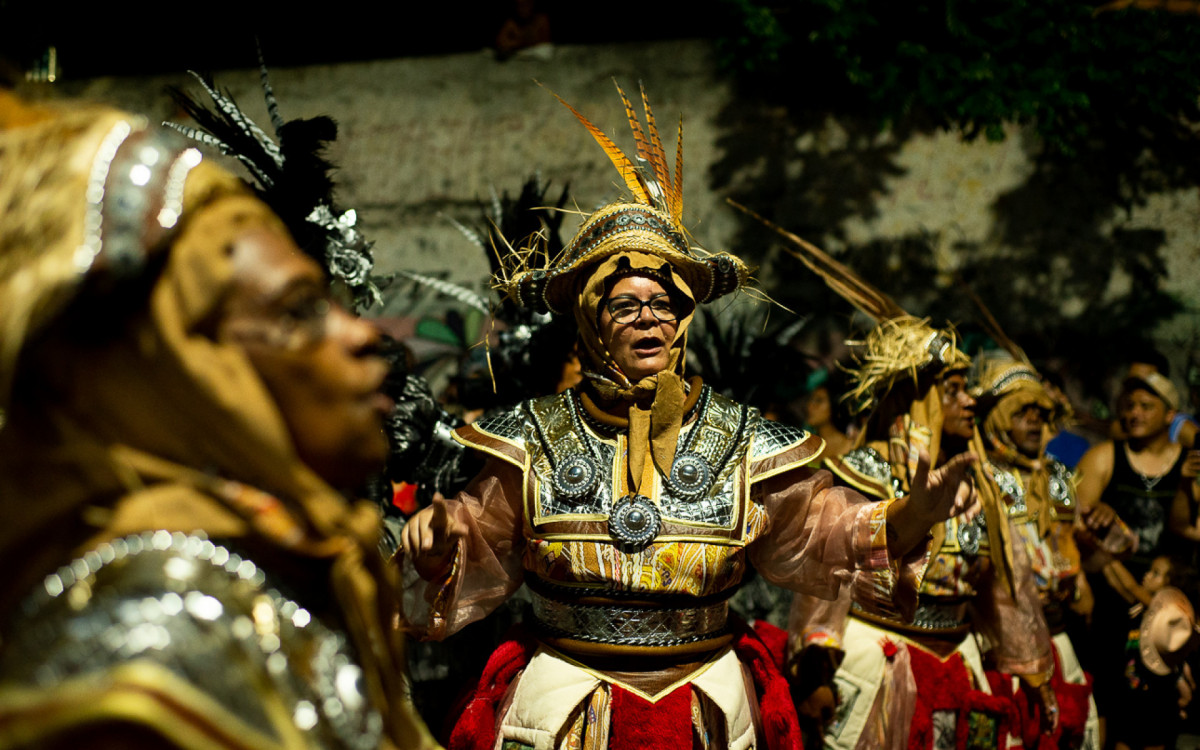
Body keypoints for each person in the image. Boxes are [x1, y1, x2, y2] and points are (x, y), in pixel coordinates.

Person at [399, 85, 976, 750]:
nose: (649, 317)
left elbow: (827, 535)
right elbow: (473, 544)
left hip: (707, 703)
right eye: (624, 305)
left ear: (685, 320)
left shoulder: (744, 439)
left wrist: (915, 515)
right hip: (567, 699)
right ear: (590, 323)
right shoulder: (531, 437)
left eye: (665, 303)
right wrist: (437, 541)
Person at [0, 95, 434, 749]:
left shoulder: (263, 575)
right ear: (180, 380)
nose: (360, 335)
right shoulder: (148, 658)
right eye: (298, 311)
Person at [789, 319, 1056, 749]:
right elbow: (826, 582)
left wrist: (1032, 667)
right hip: (877, 661)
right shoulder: (864, 473)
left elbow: (1006, 588)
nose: (969, 402)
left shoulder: (982, 485)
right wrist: (816, 668)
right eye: (952, 391)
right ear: (915, 398)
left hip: (957, 659)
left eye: (967, 389)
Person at [974, 354, 1112, 749]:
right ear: (998, 417)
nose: (1035, 421)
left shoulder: (1057, 476)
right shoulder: (976, 476)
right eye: (1022, 412)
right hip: (997, 647)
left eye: (1039, 412)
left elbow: (1074, 559)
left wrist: (1093, 550)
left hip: (1057, 636)